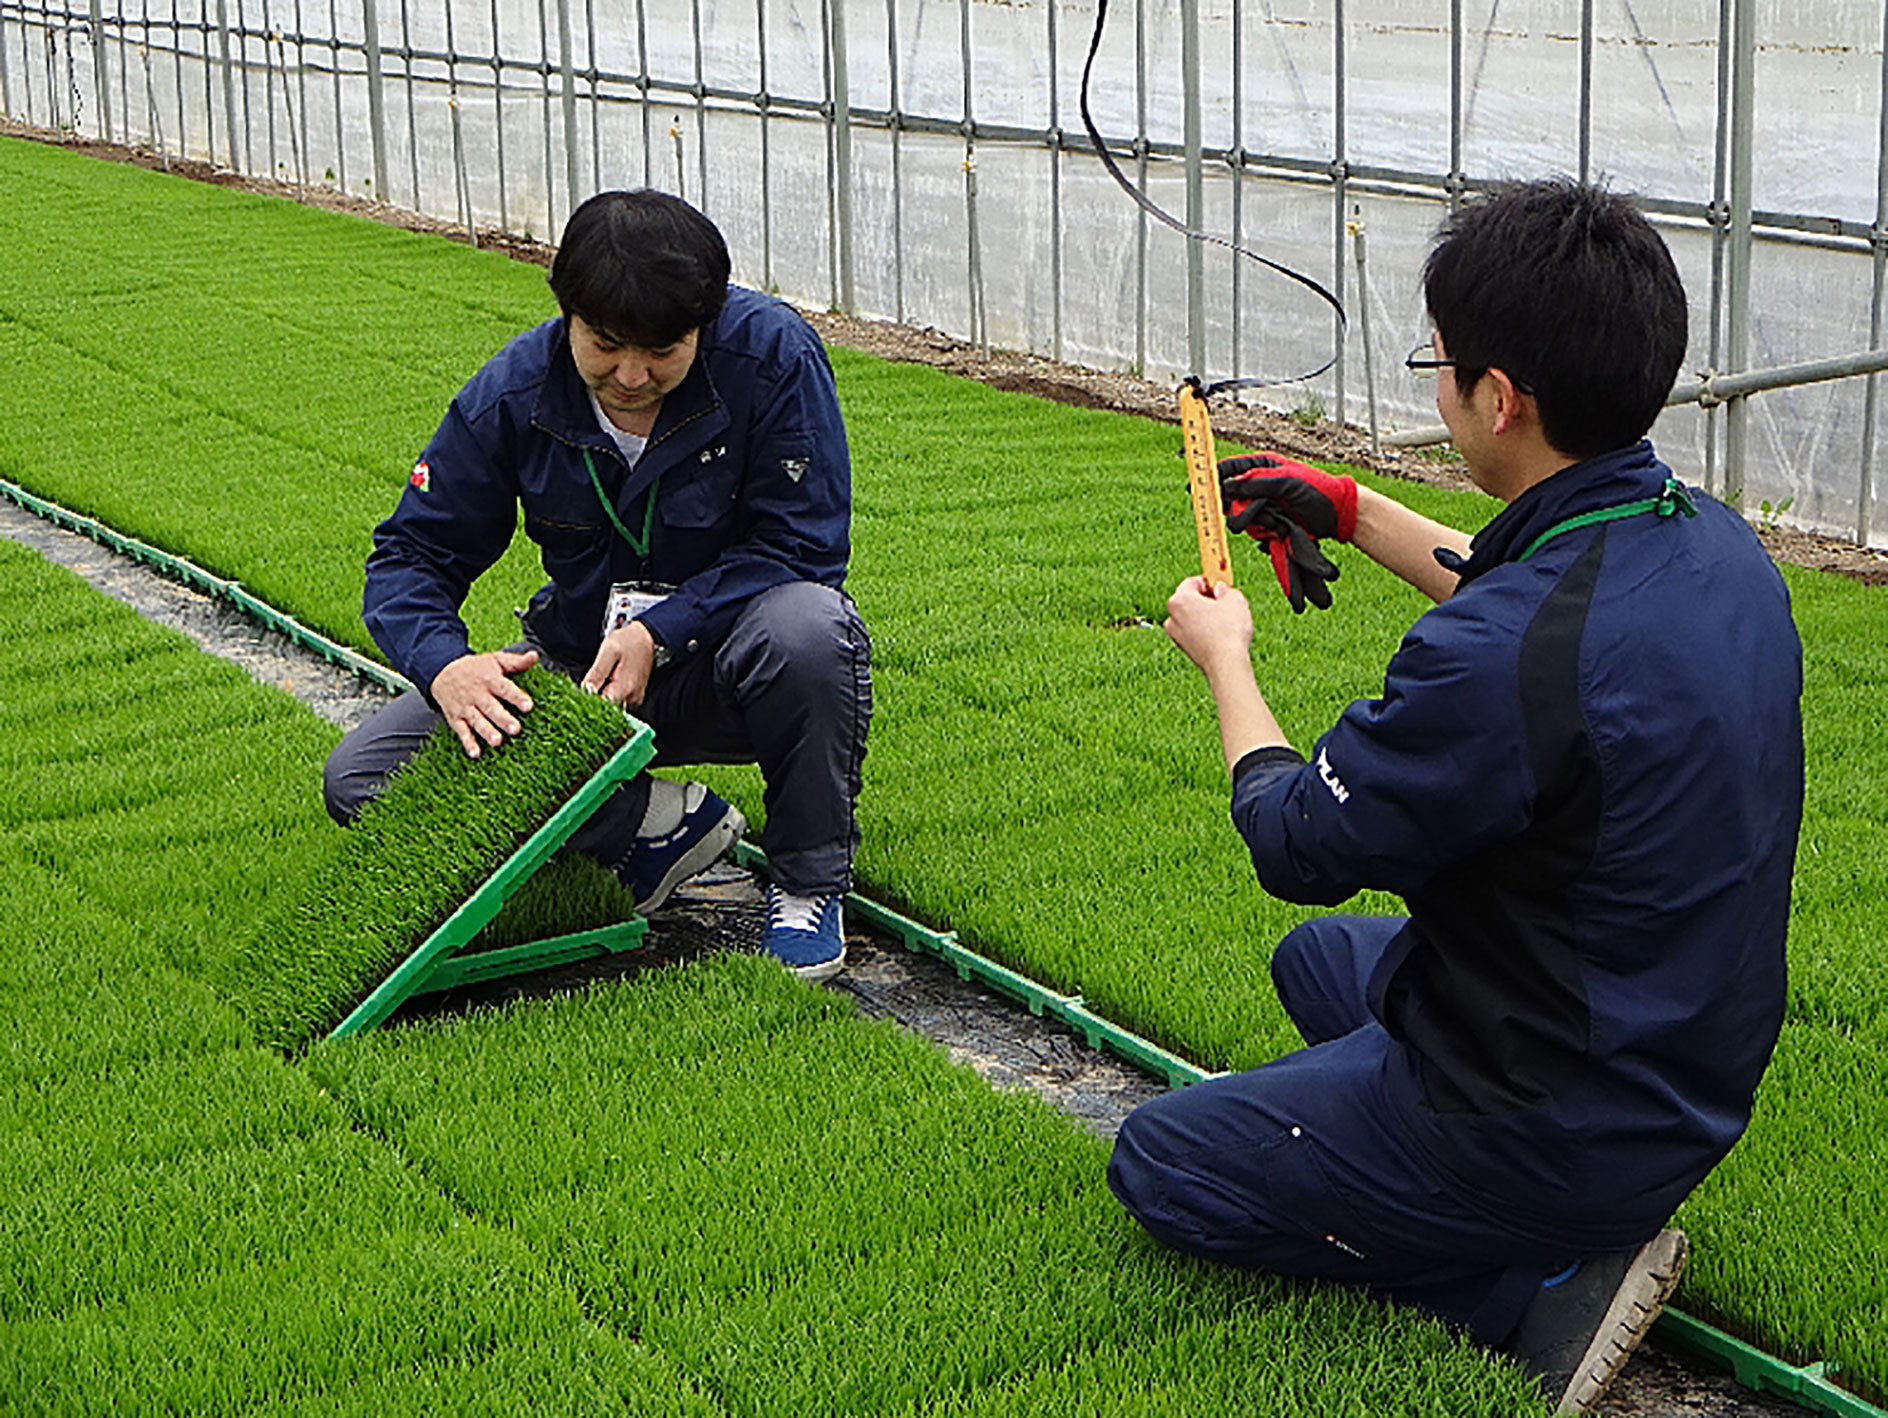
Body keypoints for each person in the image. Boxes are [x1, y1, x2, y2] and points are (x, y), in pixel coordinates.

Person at [1107, 179, 1803, 1414]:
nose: (1435, 385)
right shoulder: (1709, 541)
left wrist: (1226, 659)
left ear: (1500, 398)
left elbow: (1294, 833)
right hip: (1677, 1047)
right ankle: (1471, 1178)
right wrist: (1351, 507)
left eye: (1441, 362)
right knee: (1320, 963)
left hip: (1553, 1114)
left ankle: (1531, 1283)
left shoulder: (1493, 657)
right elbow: (1531, 603)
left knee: (1163, 1163)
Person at [323, 188, 870, 980]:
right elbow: (411, 554)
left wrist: (664, 628)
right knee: (363, 778)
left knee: (811, 629)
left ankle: (807, 886)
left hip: (728, 670)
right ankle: (648, 829)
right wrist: (448, 666)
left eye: (663, 350)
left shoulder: (772, 357)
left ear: (703, 325)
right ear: (566, 313)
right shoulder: (510, 394)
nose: (633, 375)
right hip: (586, 679)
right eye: (606, 344)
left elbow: (804, 543)